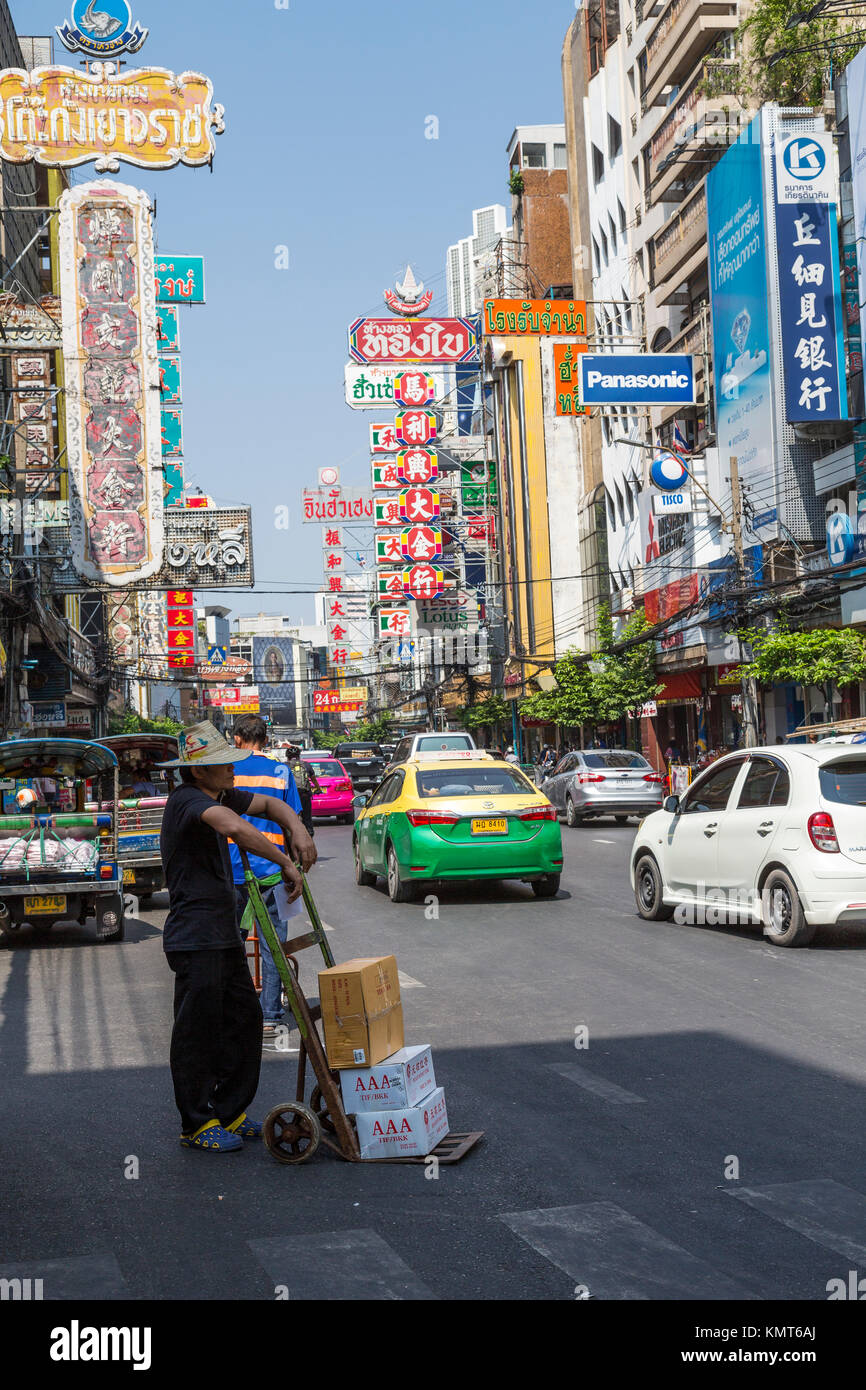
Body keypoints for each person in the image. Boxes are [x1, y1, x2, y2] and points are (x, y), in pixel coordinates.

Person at [158, 721, 316, 1154]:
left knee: (244, 1019)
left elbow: (267, 805)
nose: (232, 769)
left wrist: (297, 826)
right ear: (197, 772)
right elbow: (237, 828)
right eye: (221, 765)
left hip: (222, 930)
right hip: (195, 935)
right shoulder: (187, 801)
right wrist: (285, 860)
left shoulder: (221, 792)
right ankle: (195, 1122)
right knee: (198, 1029)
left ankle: (229, 1110)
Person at [231, 714, 305, 1043]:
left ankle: (236, 1011)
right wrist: (294, 867)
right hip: (273, 870)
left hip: (232, 868)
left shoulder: (227, 772)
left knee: (230, 946)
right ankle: (271, 1017)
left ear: (237, 739)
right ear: (264, 739)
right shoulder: (280, 772)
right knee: (273, 945)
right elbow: (294, 823)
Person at [285, 744, 321, 835]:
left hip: (291, 795)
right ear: (299, 756)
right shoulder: (306, 765)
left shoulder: (284, 766)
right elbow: (313, 780)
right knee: (307, 817)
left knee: (289, 816)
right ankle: (310, 832)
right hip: (304, 794)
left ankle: (290, 834)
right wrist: (318, 789)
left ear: (287, 757)